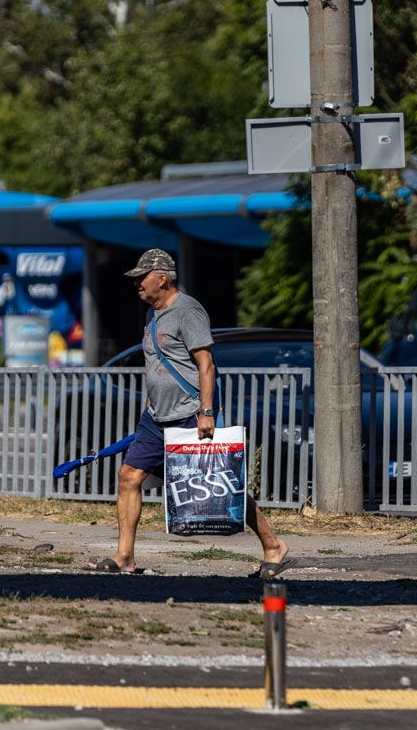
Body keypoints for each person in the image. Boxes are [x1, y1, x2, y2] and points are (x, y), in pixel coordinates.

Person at [88, 248, 295, 578]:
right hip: (156, 418)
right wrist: (150, 402)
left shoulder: (189, 311)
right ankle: (124, 556)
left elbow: (206, 365)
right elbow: (156, 363)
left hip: (191, 413)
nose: (137, 283)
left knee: (223, 484)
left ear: (163, 277)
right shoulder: (152, 315)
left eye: (143, 277)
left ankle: (274, 546)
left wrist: (207, 412)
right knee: (128, 476)